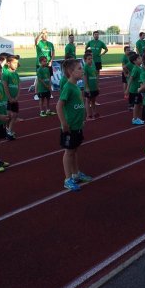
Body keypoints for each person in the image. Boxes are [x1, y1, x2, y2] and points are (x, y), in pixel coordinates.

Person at [57, 58, 91, 191]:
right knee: (69, 152)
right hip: (69, 127)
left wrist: (82, 119)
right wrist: (64, 124)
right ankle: (68, 179)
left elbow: (79, 105)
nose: (82, 71)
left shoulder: (76, 86)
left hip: (77, 126)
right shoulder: (68, 87)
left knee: (74, 150)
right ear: (71, 72)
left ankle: (76, 174)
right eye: (79, 69)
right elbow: (59, 106)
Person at [2, 55, 21, 139]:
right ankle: (7, 130)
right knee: (9, 115)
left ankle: (8, 130)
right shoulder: (6, 73)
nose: (16, 64)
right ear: (8, 63)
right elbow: (5, 86)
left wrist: (17, 96)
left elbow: (19, 86)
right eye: (14, 63)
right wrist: (9, 97)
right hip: (7, 99)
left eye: (17, 63)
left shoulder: (16, 74)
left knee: (15, 115)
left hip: (15, 98)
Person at [126, 52, 145, 125]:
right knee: (136, 105)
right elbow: (131, 78)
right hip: (134, 90)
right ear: (134, 61)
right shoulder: (135, 69)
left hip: (138, 90)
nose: (141, 59)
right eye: (139, 58)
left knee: (139, 104)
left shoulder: (139, 68)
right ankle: (134, 119)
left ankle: (137, 118)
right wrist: (127, 89)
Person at [83, 53, 100, 119]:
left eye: (91, 58)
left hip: (94, 87)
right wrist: (87, 87)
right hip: (89, 87)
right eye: (89, 59)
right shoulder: (85, 67)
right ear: (85, 60)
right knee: (88, 100)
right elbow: (85, 78)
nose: (90, 60)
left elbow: (95, 76)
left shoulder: (93, 65)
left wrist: (97, 86)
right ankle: (88, 115)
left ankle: (94, 113)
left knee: (93, 100)